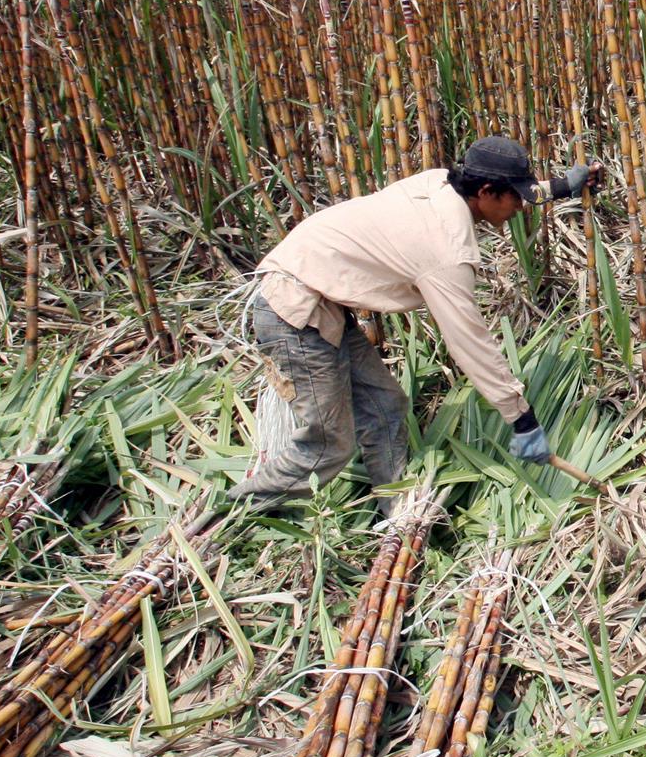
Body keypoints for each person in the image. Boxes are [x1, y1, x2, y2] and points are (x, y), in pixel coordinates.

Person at [230, 135, 601, 503]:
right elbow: (469, 344)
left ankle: (395, 513)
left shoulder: (440, 181)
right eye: (516, 197)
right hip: (295, 308)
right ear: (487, 192)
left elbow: (505, 190)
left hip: (317, 292)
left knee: (386, 408)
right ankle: (228, 517)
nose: (521, 206)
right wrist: (521, 419)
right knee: (327, 448)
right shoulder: (446, 251)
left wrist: (562, 187)